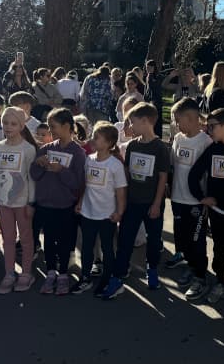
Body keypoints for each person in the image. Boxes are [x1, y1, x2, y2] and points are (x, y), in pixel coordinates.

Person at [102, 102, 170, 299]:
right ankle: (119, 274)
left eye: (132, 123)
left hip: (152, 203)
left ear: (146, 121)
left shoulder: (160, 148)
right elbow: (128, 173)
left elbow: (163, 177)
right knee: (125, 239)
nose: (129, 127)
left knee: (154, 239)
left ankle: (152, 269)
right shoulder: (132, 145)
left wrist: (157, 203)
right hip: (132, 202)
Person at [188, 108, 224, 309]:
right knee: (219, 249)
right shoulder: (213, 149)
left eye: (212, 126)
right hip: (218, 214)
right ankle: (221, 283)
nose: (208, 130)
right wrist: (202, 198)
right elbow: (194, 175)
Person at [30, 108, 86, 295]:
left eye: (53, 126)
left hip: (65, 206)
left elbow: (77, 182)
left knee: (64, 242)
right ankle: (51, 272)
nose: (50, 130)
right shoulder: (47, 148)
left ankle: (63, 274)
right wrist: (38, 165)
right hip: (45, 205)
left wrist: (61, 170)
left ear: (67, 126)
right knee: (49, 240)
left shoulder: (77, 153)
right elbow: (35, 175)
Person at [74, 122, 127, 297]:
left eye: (96, 137)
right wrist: (80, 202)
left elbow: (120, 192)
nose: (92, 139)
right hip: (88, 213)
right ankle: (85, 277)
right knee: (87, 247)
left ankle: (107, 278)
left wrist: (119, 212)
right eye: (93, 136)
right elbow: (85, 186)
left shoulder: (115, 165)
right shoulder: (89, 159)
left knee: (107, 248)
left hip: (107, 215)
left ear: (109, 142)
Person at [169, 98, 214, 296]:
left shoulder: (206, 141)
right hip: (178, 198)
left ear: (191, 117)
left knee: (197, 239)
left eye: (179, 120)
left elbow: (209, 174)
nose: (177, 125)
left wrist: (207, 197)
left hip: (197, 201)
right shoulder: (178, 138)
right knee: (182, 236)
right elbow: (173, 164)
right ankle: (190, 265)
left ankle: (200, 275)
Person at [0, 107, 38, 294]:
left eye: (13, 123)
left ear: (22, 125)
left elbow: (30, 178)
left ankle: (26, 273)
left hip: (23, 203)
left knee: (26, 239)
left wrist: (31, 203)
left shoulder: (28, 149)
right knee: (7, 238)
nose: (8, 127)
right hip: (3, 203)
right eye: (5, 123)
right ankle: (9, 273)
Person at [143, 60, 165, 137]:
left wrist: (151, 76)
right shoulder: (147, 77)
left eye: (149, 67)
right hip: (149, 102)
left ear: (153, 67)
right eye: (147, 68)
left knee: (157, 123)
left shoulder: (158, 77)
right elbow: (146, 90)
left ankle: (158, 137)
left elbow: (153, 87)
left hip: (157, 103)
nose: (148, 69)